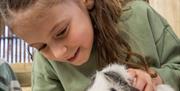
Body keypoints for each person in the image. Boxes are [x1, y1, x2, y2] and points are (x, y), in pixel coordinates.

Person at [0, 0, 179, 91]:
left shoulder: (140, 17)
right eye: (41, 47)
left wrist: (155, 78)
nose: (58, 52)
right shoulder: (46, 65)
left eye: (61, 32)